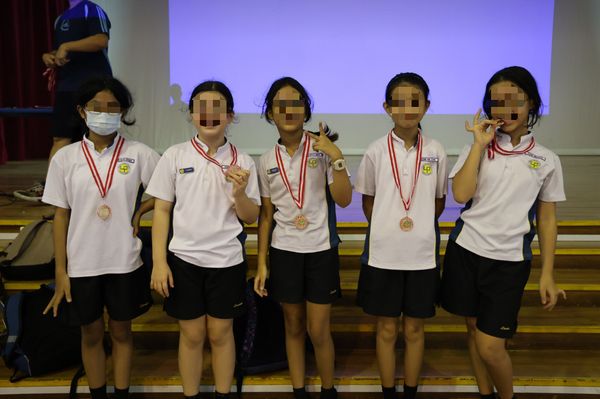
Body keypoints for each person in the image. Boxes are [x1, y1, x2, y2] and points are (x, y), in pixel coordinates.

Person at [440, 66, 567, 399]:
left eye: (516, 101)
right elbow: (461, 195)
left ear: (532, 104)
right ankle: (486, 394)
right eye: (497, 102)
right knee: (472, 330)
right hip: (465, 252)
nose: (506, 110)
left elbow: (548, 220)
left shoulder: (547, 159)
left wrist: (547, 274)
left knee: (491, 345)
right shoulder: (478, 149)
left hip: (509, 262)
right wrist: (478, 147)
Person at [42, 76, 159, 399]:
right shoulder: (66, 158)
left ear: (123, 112)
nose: (105, 114)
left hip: (124, 260)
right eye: (97, 107)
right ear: (82, 111)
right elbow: (60, 216)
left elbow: (168, 193)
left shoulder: (140, 153)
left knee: (122, 331)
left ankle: (121, 393)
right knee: (91, 333)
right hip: (81, 263)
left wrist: (140, 210)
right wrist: (61, 272)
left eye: (113, 107)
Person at [146, 81, 260, 399]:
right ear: (191, 114)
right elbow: (161, 211)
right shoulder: (174, 155)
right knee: (192, 334)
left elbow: (250, 216)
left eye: (217, 107)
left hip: (227, 260)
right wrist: (158, 263)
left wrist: (239, 192)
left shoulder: (244, 161)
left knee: (222, 333)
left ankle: (223, 393)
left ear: (231, 116)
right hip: (183, 260)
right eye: (201, 107)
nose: (209, 114)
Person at [253, 77, 352, 399]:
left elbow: (345, 198)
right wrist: (263, 263)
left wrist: (335, 156)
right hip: (285, 252)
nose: (288, 110)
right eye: (281, 104)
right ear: (270, 113)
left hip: (320, 250)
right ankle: (298, 390)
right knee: (293, 326)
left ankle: (327, 389)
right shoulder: (266, 161)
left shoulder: (322, 149)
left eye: (296, 102)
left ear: (306, 109)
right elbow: (266, 216)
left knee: (319, 329)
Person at [354, 73, 447, 399]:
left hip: (421, 255)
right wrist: (389, 224)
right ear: (387, 107)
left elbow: (438, 200)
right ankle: (388, 390)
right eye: (399, 102)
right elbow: (368, 200)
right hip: (384, 254)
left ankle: (410, 390)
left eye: (415, 101)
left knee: (415, 327)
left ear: (426, 106)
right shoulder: (376, 150)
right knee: (388, 327)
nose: (407, 108)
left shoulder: (436, 150)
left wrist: (415, 223)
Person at [15, 0, 112, 202]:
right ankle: (52, 190)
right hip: (66, 87)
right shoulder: (61, 17)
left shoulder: (91, 9)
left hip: (94, 87)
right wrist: (48, 56)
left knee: (97, 137)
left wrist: (66, 46)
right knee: (61, 139)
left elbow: (101, 40)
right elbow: (61, 51)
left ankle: (100, 187)